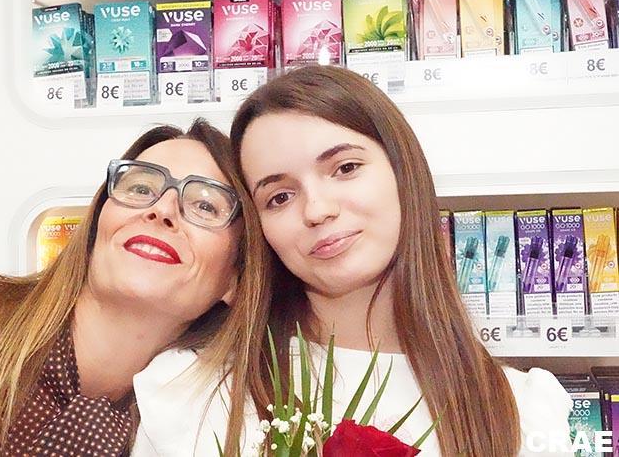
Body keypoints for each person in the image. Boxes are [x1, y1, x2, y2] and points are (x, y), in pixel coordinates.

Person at [133, 66, 573, 456]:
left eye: (345, 168)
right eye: (279, 196)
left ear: (403, 171)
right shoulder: (192, 391)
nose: (317, 209)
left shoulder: (520, 408)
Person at [0, 119, 269, 455]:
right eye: (140, 188)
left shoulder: (189, 435)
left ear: (236, 278)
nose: (162, 209)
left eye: (204, 205)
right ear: (97, 224)